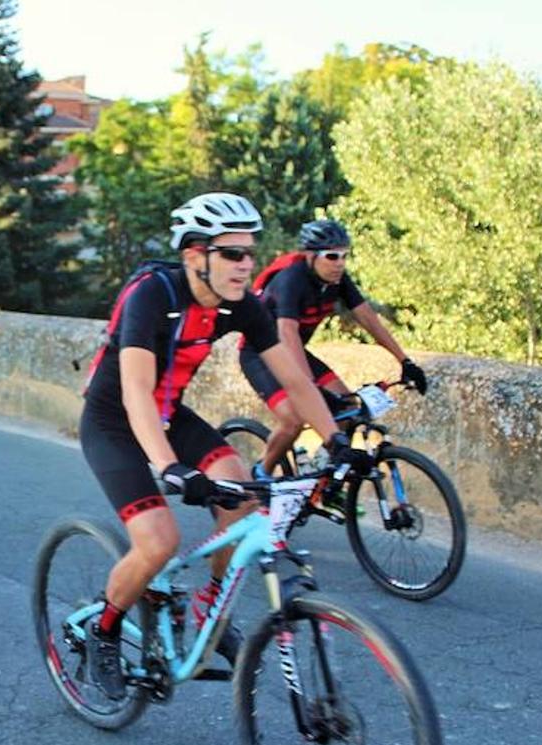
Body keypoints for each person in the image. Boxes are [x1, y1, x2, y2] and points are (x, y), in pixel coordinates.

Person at [78, 193, 372, 699]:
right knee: (158, 541)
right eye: (232, 254)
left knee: (242, 493)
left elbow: (296, 380)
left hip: (168, 414)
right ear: (196, 256)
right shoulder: (153, 295)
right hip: (114, 420)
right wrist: (169, 467)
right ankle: (100, 631)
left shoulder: (242, 304)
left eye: (250, 253)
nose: (246, 265)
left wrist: (337, 441)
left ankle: (210, 607)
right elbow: (134, 392)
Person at [239, 219, 427, 479]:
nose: (339, 263)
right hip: (259, 354)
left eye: (344, 256)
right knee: (294, 419)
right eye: (331, 256)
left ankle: (322, 477)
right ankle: (262, 472)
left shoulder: (338, 280)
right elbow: (287, 333)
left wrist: (405, 361)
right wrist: (309, 387)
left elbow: (368, 319)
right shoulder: (291, 281)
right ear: (310, 255)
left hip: (294, 352)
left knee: (347, 408)